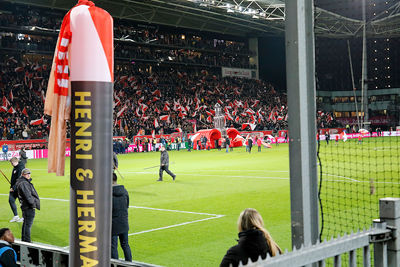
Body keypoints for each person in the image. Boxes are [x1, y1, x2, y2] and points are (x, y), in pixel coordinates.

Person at [15, 168, 40, 242]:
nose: (29, 175)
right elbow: (28, 196)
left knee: (26, 224)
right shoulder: (24, 183)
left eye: (29, 173)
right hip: (28, 206)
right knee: (28, 225)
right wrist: (33, 205)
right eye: (27, 174)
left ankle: (24, 240)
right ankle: (27, 241)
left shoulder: (22, 182)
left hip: (25, 206)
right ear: (23, 174)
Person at [111, 173, 132, 261]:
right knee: (125, 244)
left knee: (113, 246)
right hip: (124, 221)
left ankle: (115, 264)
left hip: (114, 223)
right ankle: (129, 263)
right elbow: (127, 205)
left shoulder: (108, 194)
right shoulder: (125, 191)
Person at [9, 157, 25, 223]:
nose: (11, 164)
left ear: (16, 162)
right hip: (13, 188)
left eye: (12, 163)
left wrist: (14, 187)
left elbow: (19, 179)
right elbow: (13, 178)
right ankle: (16, 216)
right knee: (11, 200)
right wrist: (11, 186)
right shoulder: (15, 167)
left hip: (19, 188)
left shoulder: (20, 168)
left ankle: (24, 217)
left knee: (22, 203)